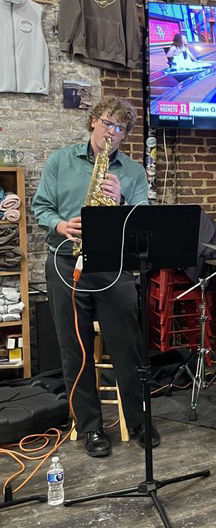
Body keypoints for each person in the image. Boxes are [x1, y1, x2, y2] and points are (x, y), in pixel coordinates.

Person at [32, 98, 158, 458]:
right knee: (77, 350)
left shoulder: (132, 172)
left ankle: (138, 421)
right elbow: (41, 206)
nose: (112, 133)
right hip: (65, 262)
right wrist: (59, 224)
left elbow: (142, 223)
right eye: (107, 124)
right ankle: (90, 427)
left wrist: (121, 204)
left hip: (113, 267)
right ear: (93, 122)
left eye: (120, 129)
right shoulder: (60, 161)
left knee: (128, 345)